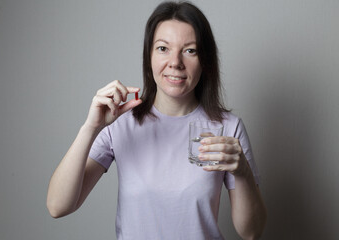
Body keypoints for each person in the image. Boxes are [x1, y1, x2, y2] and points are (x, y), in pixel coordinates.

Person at [47, 1, 267, 239]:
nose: (175, 62)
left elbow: (252, 232)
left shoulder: (227, 127)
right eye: (163, 48)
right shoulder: (120, 122)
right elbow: (58, 206)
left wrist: (243, 171)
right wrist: (91, 128)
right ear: (149, 55)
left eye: (190, 50)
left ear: (205, 60)